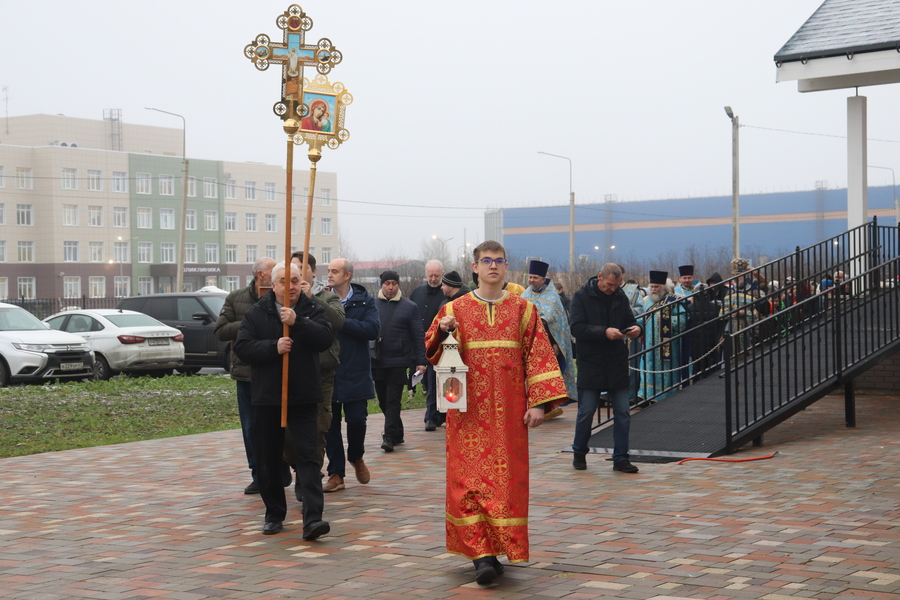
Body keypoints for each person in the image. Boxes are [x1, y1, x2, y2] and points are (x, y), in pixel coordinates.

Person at [425, 240, 567, 585]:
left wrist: (537, 404)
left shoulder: (523, 310)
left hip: (508, 417)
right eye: (486, 261)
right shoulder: (454, 310)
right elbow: (431, 350)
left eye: (499, 261)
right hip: (467, 414)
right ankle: (481, 555)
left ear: (506, 267)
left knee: (506, 485)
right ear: (475, 267)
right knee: (467, 483)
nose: (492, 266)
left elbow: (539, 358)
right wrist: (442, 334)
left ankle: (495, 547)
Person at [232, 261, 333, 539]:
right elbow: (242, 347)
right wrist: (273, 347)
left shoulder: (311, 309)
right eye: (283, 281)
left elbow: (325, 338)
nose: (290, 287)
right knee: (268, 459)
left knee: (308, 458)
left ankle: (313, 519)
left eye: (295, 280)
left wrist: (297, 322)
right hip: (267, 397)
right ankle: (274, 514)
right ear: (272, 285)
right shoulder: (258, 312)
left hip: (302, 395)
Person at [214, 257, 291, 494]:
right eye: (273, 272)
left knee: (281, 425)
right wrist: (248, 322)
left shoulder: (282, 297)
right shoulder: (236, 298)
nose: (278, 275)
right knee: (250, 428)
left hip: (275, 372)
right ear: (261, 275)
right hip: (246, 374)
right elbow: (220, 331)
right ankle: (258, 474)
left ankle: (283, 465)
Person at [569, 263, 643, 474]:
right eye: (609, 284)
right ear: (600, 277)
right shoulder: (581, 297)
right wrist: (604, 332)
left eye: (616, 285)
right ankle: (579, 451)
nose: (612, 289)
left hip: (616, 362)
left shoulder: (620, 297)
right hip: (591, 362)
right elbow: (576, 327)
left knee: (623, 412)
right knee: (587, 411)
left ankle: (621, 457)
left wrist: (637, 329)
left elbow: (630, 321)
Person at [324, 258, 380, 493]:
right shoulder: (322, 300)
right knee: (330, 425)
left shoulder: (364, 300)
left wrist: (341, 322)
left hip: (356, 370)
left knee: (357, 420)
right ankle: (336, 473)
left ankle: (356, 457)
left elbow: (372, 329)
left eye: (334, 271)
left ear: (347, 275)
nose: (329, 275)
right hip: (329, 371)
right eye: (328, 271)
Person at [286, 251, 344, 477]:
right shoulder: (283, 298)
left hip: (321, 374)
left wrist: (313, 299)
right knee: (286, 432)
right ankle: (299, 466)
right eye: (292, 270)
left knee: (318, 429)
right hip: (290, 374)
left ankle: (308, 476)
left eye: (301, 269)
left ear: (312, 272)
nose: (296, 275)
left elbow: (338, 322)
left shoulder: (326, 296)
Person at [372, 270, 427, 452]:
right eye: (387, 283)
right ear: (381, 285)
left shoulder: (409, 306)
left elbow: (418, 335)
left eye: (394, 283)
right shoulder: (372, 305)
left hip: (399, 360)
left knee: (393, 400)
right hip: (377, 359)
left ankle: (389, 437)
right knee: (382, 400)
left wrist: (421, 361)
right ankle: (398, 432)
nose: (390, 287)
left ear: (398, 284)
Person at [520, 260, 576, 415]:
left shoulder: (553, 297)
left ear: (543, 279)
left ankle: (548, 408)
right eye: (530, 277)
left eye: (535, 278)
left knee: (546, 376)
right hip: (528, 345)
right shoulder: (525, 295)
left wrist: (556, 344)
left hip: (549, 346)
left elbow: (558, 324)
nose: (531, 280)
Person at [409, 259, 448, 431]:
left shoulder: (445, 293)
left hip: (440, 344)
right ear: (426, 275)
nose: (433, 279)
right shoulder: (417, 292)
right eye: (430, 275)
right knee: (426, 380)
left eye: (436, 276)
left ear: (442, 275)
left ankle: (432, 416)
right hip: (419, 343)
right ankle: (435, 414)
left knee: (434, 381)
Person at [639, 270, 687, 402]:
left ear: (664, 287)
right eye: (652, 287)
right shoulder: (645, 301)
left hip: (668, 347)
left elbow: (683, 320)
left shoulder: (673, 300)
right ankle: (648, 397)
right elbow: (639, 321)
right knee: (649, 369)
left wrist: (669, 320)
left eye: (657, 287)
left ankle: (667, 397)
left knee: (666, 370)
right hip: (649, 345)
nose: (654, 289)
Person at [686, 283, 725, 380]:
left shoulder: (689, 308)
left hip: (695, 341)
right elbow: (719, 324)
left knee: (696, 367)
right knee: (710, 367)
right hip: (711, 341)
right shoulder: (715, 307)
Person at [721, 258, 758, 357]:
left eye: (738, 275)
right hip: (732, 328)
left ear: (745, 275)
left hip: (748, 329)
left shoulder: (753, 290)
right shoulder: (730, 292)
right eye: (733, 276)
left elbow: (759, 312)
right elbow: (722, 314)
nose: (735, 278)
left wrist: (744, 313)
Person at [673, 265, 698, 386]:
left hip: (697, 325)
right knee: (683, 353)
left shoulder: (698, 289)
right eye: (684, 278)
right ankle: (684, 379)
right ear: (680, 278)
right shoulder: (675, 291)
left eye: (689, 277)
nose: (687, 280)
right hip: (683, 326)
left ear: (693, 277)